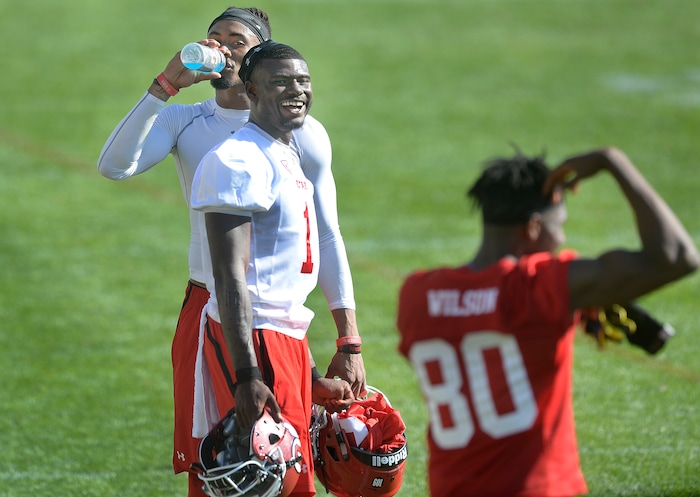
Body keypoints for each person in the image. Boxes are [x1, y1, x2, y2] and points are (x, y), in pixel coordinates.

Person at [97, 7, 366, 497]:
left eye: (235, 41)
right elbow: (115, 166)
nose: (220, 49)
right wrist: (165, 85)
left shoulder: (303, 132)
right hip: (213, 308)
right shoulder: (189, 122)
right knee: (227, 468)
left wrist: (348, 338)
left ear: (258, 59)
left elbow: (326, 235)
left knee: (281, 464)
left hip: (279, 316)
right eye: (213, 38)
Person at [396, 147, 699, 497]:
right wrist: (611, 161)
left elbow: (481, 318)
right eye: (560, 228)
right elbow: (677, 257)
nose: (563, 240)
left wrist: (569, 304)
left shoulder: (417, 294)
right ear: (533, 228)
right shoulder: (539, 289)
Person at [190, 40, 355, 497]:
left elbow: (279, 278)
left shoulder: (282, 152)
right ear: (251, 91)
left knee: (286, 478)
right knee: (269, 480)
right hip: (257, 340)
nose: (296, 90)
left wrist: (308, 368)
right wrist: (247, 376)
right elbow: (230, 276)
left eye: (303, 81)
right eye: (280, 81)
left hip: (283, 338)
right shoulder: (236, 161)